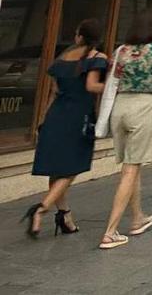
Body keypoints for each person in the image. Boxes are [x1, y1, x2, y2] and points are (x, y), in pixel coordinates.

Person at [99, 8, 152, 250]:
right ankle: (110, 232)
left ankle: (137, 218)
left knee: (132, 166)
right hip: (143, 106)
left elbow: (112, 79)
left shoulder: (120, 51)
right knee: (130, 169)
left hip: (120, 106)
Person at [22, 19, 108, 238]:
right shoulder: (97, 59)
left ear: (79, 36)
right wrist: (114, 86)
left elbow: (54, 92)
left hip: (55, 116)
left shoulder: (62, 59)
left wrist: (42, 120)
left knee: (57, 169)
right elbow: (91, 86)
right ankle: (41, 209)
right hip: (77, 117)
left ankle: (65, 216)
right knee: (72, 167)